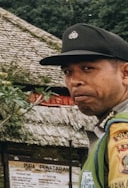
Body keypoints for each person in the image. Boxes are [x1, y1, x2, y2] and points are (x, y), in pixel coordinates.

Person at [39, 23, 128, 188]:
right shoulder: (107, 128)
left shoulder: (123, 129)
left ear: (125, 73)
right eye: (68, 72)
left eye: (88, 68)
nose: (74, 81)